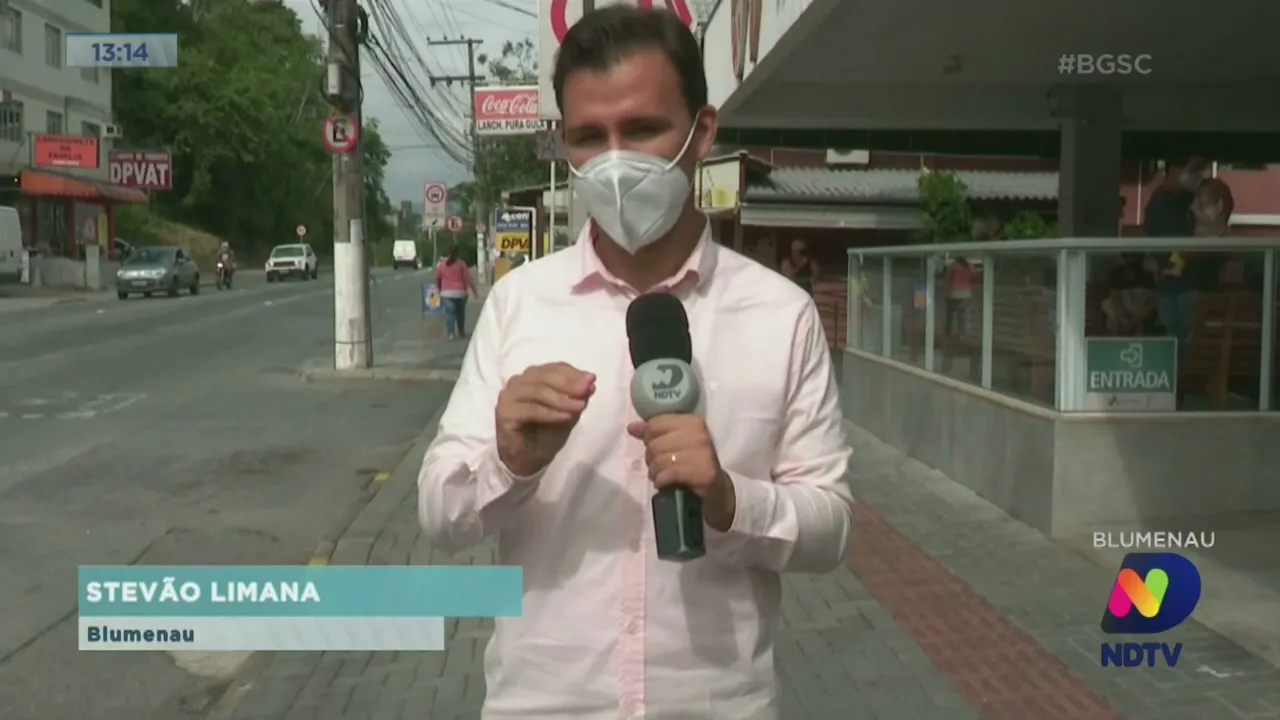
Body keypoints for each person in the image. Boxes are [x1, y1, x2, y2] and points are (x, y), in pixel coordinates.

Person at [417, 7, 853, 718]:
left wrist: (730, 500)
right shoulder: (519, 303)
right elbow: (440, 513)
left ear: (702, 132)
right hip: (544, 705)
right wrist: (508, 462)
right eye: (590, 137)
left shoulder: (782, 316)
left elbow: (829, 528)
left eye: (644, 129)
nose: (616, 163)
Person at [1101, 253, 1156, 335]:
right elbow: (1115, 295)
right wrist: (1123, 316)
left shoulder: (1148, 270)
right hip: (1123, 307)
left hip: (1142, 306)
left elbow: (1153, 301)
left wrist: (1134, 318)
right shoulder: (1117, 271)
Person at [435, 245, 477, 340]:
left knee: (449, 314)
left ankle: (451, 334)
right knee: (460, 313)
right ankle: (461, 332)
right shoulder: (461, 264)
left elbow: (437, 278)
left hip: (446, 293)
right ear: (457, 253)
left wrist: (439, 289)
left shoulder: (442, 265)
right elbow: (468, 278)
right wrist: (474, 292)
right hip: (461, 293)